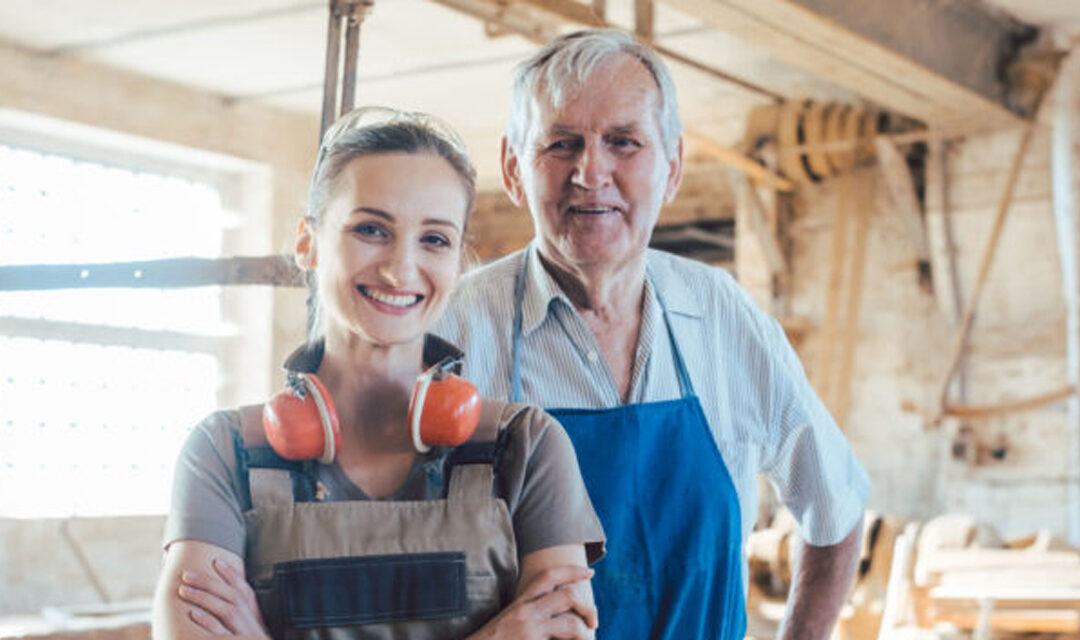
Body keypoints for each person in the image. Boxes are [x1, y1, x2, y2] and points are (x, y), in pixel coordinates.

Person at [433, 29, 872, 640]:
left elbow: (837, 508)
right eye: (562, 144)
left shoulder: (723, 317)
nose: (591, 173)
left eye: (624, 142)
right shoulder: (450, 333)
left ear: (672, 168)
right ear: (512, 168)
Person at [151, 107, 605, 640]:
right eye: (371, 229)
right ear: (308, 243)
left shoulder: (526, 447)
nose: (400, 268)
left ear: (459, 260)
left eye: (434, 239)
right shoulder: (225, 452)